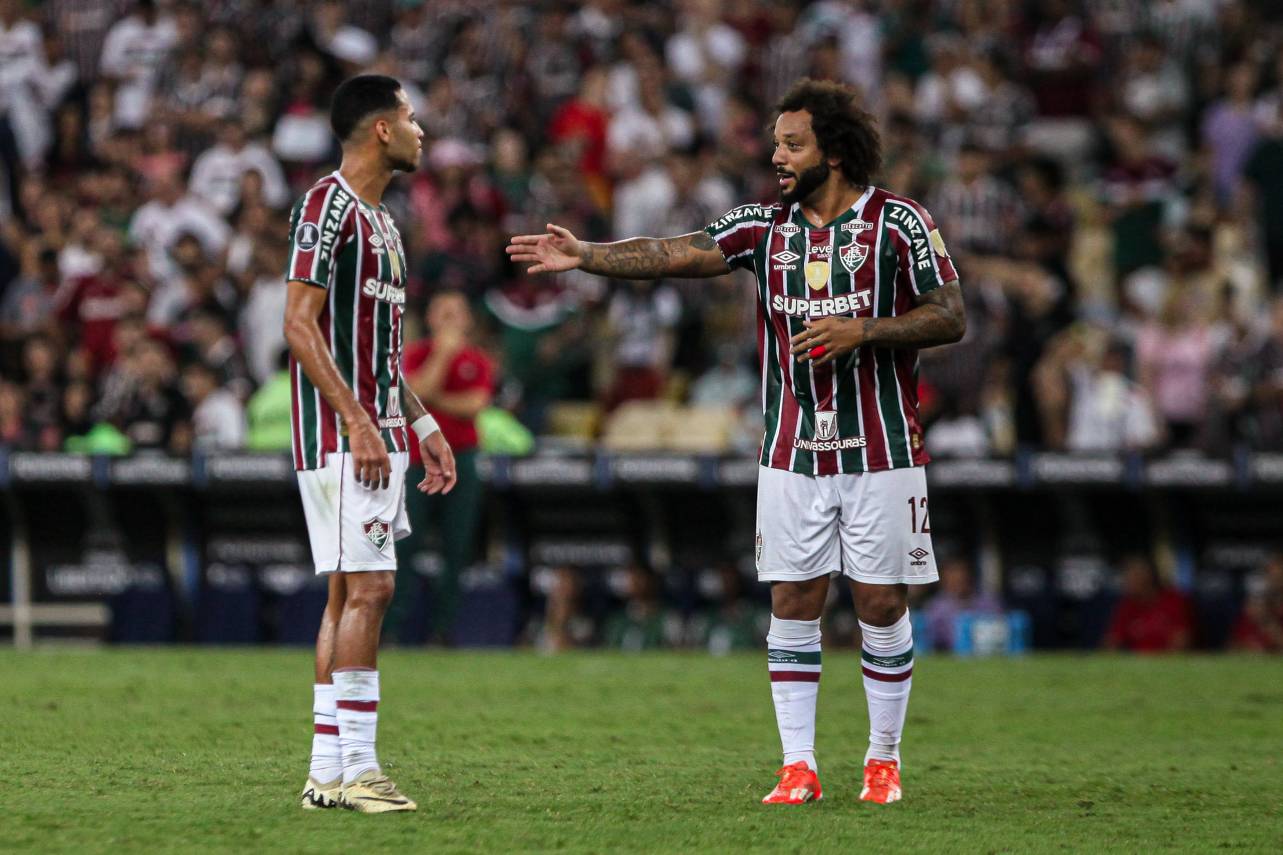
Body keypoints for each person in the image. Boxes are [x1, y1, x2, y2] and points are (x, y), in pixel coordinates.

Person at [509, 78, 965, 806]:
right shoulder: (763, 227)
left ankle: (883, 758)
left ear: (835, 152)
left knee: (880, 602)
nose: (776, 156)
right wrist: (587, 254)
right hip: (789, 450)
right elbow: (673, 251)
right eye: (775, 143)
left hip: (881, 449)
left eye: (792, 144)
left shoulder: (900, 223)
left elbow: (950, 314)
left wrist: (866, 329)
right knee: (793, 597)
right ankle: (797, 765)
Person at [283, 74, 456, 814]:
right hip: (342, 435)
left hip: (378, 431)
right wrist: (356, 420)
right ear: (381, 129)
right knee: (374, 588)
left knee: (347, 591)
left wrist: (420, 422)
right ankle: (360, 769)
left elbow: (379, 352)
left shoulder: (384, 221)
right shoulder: (328, 205)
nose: (423, 131)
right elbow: (298, 323)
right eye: (412, 118)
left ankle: (326, 771)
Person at [393, 289, 495, 644]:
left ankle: (442, 631)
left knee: (457, 547)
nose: (450, 319)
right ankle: (392, 631)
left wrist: (434, 395)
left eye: (456, 312)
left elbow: (474, 405)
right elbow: (412, 395)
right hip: (417, 461)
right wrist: (442, 355)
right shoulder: (415, 354)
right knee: (404, 545)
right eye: (443, 312)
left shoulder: (478, 360)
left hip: (462, 461)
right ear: (430, 319)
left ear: (467, 320)